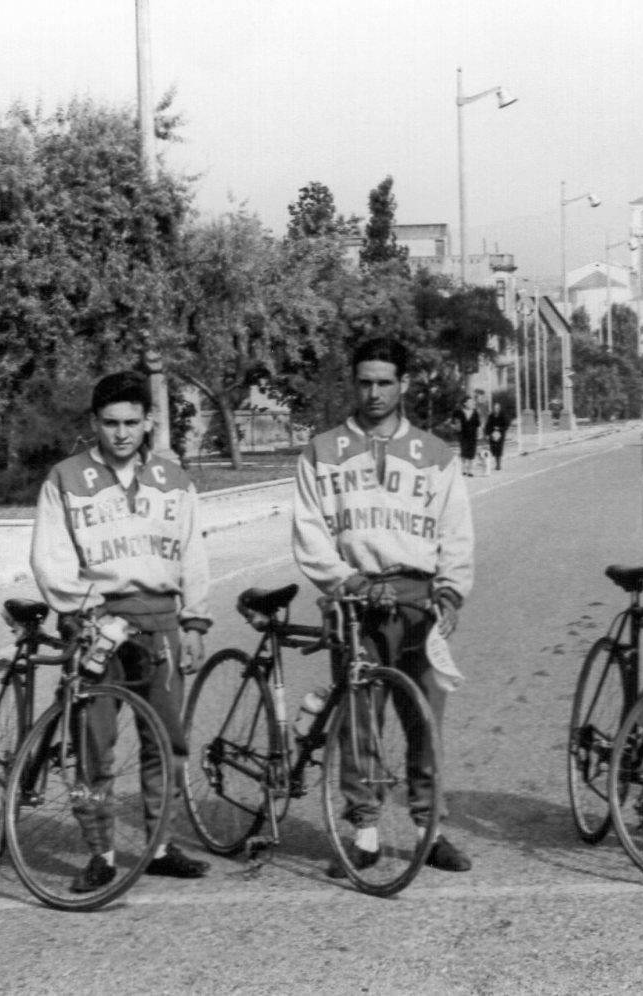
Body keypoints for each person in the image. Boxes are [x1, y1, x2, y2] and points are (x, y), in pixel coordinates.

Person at [292, 337, 475, 874]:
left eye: (385, 382)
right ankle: (366, 833)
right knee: (360, 720)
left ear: (404, 384)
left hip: (418, 597)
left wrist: (451, 590)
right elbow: (309, 532)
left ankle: (428, 830)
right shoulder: (322, 451)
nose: (374, 393)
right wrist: (346, 580)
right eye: (365, 382)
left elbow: (455, 530)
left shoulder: (434, 453)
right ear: (354, 383)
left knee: (425, 721)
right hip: (357, 598)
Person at [30, 370, 213, 892]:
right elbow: (49, 558)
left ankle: (160, 845)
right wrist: (85, 611)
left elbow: (193, 553)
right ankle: (101, 852)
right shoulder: (65, 478)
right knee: (94, 744)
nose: (122, 433)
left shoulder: (174, 480)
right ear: (94, 423)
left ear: (148, 421)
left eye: (132, 422)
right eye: (110, 423)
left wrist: (194, 620)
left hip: (160, 619)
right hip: (96, 623)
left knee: (166, 741)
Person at [451, 397, 481, 476]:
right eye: (470, 402)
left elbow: (478, 425)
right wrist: (454, 427)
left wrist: (479, 434)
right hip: (463, 435)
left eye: (472, 402)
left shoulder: (475, 412)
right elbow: (453, 422)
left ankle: (470, 470)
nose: (472, 403)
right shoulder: (458, 412)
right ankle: (463, 469)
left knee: (472, 452)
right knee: (463, 452)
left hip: (473, 435)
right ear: (465, 403)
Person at [484, 402, 510, 471]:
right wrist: (487, 434)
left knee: (499, 448)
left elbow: (506, 424)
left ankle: (498, 464)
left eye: (497, 408)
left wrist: (500, 428)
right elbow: (487, 425)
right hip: (492, 434)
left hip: (500, 434)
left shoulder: (503, 415)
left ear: (499, 408)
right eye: (495, 408)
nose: (496, 409)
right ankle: (496, 461)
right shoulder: (491, 416)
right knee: (493, 449)